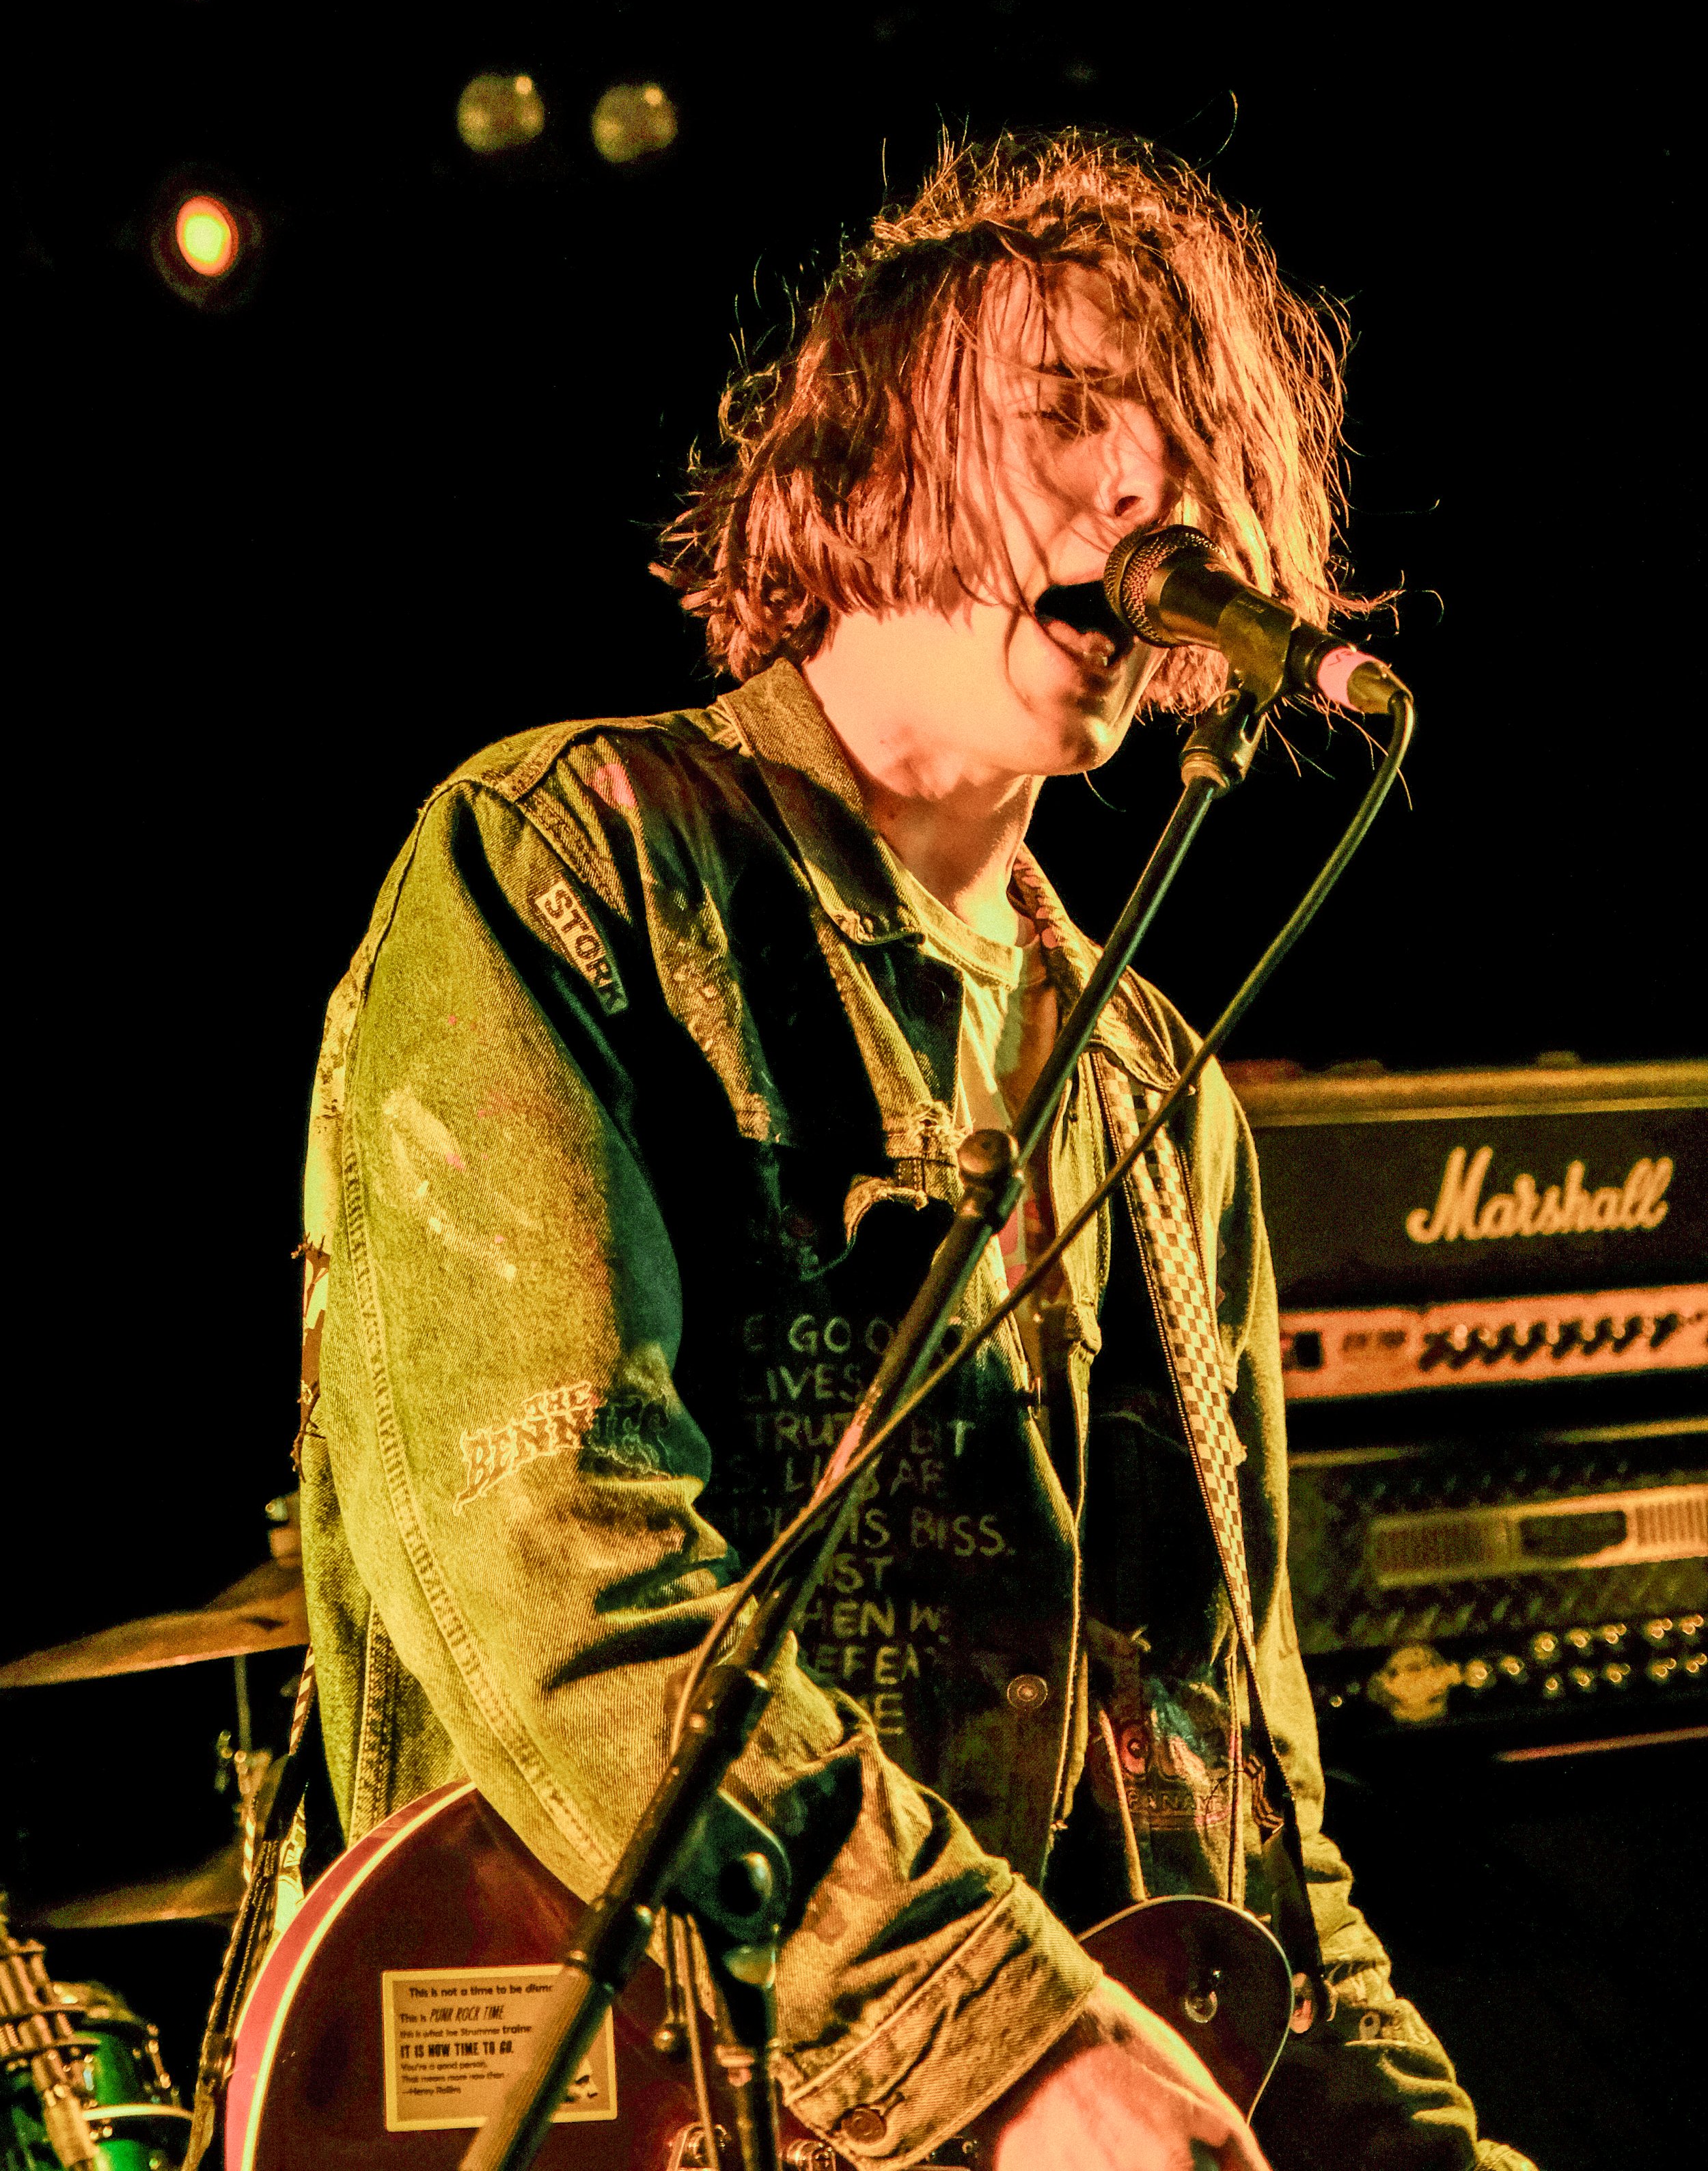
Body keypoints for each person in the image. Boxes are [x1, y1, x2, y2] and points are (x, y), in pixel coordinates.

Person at [294, 133, 1534, 2168]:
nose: (1146, 495)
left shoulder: (1154, 1097)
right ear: (866, 461)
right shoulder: (577, 862)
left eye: (1188, 451)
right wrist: (1005, 2045)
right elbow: (553, 1570)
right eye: (1068, 412)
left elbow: (1252, 1841)